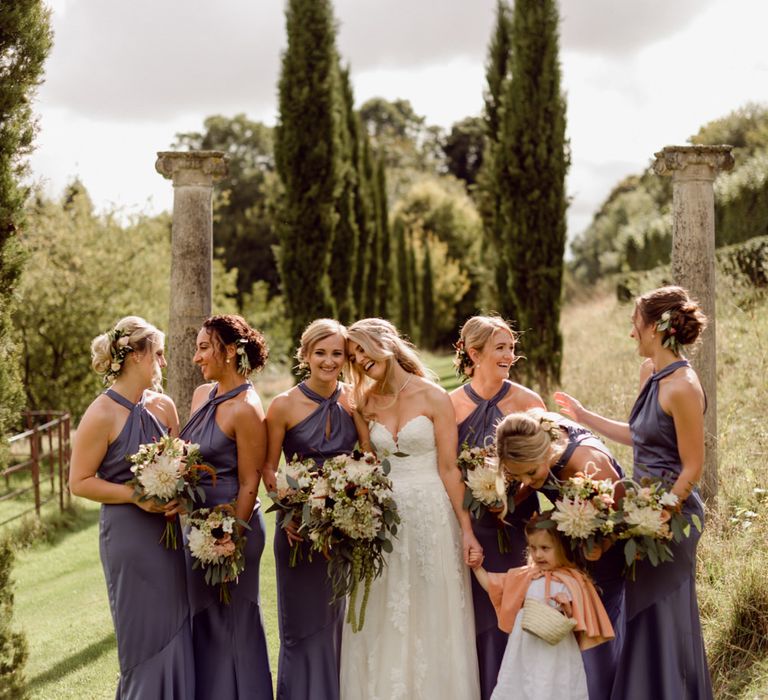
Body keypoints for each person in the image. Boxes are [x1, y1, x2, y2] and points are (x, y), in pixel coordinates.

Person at [554, 285, 713, 699]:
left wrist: (659, 514)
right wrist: (585, 417)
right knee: (639, 612)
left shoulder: (684, 386)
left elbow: (693, 467)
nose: (631, 334)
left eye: (635, 325)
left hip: (672, 519)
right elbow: (638, 435)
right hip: (638, 514)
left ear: (657, 327)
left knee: (661, 613)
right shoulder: (650, 374)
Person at [339, 318, 482, 699]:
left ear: (384, 343)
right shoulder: (363, 403)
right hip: (384, 520)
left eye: (363, 351)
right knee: (386, 611)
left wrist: (467, 530)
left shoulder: (434, 396)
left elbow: (450, 469)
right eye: (354, 358)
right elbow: (368, 463)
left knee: (433, 609)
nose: (360, 361)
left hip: (433, 515)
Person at [70, 316, 193, 698]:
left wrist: (179, 496)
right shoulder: (101, 413)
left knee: (176, 624)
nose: (163, 362)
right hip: (128, 536)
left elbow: (180, 465)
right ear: (137, 356)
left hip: (169, 534)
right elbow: (79, 482)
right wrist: (135, 496)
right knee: (142, 634)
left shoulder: (164, 406)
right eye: (158, 353)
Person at [262, 319, 362, 700]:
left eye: (337, 353)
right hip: (299, 531)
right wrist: (288, 511)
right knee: (303, 626)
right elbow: (270, 468)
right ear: (305, 355)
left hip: (346, 527)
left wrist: (358, 503)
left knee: (339, 623)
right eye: (321, 353)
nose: (329, 360)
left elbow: (367, 455)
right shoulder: (284, 404)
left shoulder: (354, 399)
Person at [496, 409, 626, 700]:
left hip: (606, 554)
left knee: (595, 640)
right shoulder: (530, 428)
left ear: (546, 451)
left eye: (531, 473)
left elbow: (622, 519)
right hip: (570, 554)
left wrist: (601, 546)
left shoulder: (589, 465)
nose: (527, 482)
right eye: (518, 475)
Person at [449, 315, 545, 699]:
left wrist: (513, 495)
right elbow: (449, 470)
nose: (510, 355)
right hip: (475, 530)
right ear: (474, 353)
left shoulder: (528, 402)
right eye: (500, 348)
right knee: (484, 620)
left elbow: (545, 466)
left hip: (521, 522)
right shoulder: (451, 405)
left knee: (523, 612)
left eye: (511, 347)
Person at [180, 315, 272, 699]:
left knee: (234, 621)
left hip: (234, 528)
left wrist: (228, 534)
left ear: (230, 352)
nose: (197, 358)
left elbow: (251, 481)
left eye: (204, 348)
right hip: (196, 529)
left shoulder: (247, 408)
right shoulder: (202, 396)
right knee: (204, 620)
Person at [470, 518, 614, 700]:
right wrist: (477, 568)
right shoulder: (525, 576)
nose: (538, 555)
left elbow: (577, 618)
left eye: (545, 548)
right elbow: (494, 585)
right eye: (533, 548)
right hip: (525, 649)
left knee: (555, 685)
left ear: (561, 547)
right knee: (522, 684)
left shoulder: (572, 580)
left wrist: (566, 608)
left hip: (556, 651)